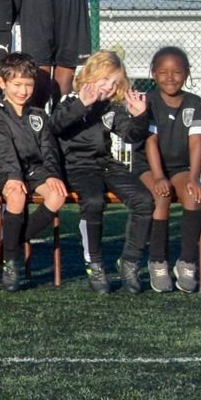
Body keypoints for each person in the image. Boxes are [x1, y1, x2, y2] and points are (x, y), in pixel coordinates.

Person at [53, 49, 153, 294]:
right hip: (77, 168)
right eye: (105, 79)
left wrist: (140, 116)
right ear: (89, 75)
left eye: (115, 82)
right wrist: (81, 105)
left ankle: (129, 262)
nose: (109, 86)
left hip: (107, 165)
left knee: (144, 200)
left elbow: (131, 134)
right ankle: (94, 264)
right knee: (94, 201)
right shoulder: (68, 102)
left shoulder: (112, 108)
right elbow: (54, 126)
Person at [0, 51, 68, 292]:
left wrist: (53, 174)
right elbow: (3, 149)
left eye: (29, 85)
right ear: (3, 83)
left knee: (58, 195)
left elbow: (49, 150)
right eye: (17, 84)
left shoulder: (38, 115)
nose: (23, 91)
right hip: (6, 171)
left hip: (35, 171)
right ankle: (11, 263)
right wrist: (13, 177)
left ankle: (10, 244)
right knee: (17, 196)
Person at [140, 45, 201, 293]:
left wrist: (193, 178)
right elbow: (150, 141)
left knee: (193, 196)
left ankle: (187, 263)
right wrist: (158, 176)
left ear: (187, 74)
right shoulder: (148, 102)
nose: (170, 77)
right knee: (162, 194)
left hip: (179, 168)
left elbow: (196, 142)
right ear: (153, 74)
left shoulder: (194, 102)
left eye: (177, 72)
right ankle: (158, 262)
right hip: (149, 167)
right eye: (163, 72)